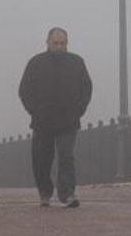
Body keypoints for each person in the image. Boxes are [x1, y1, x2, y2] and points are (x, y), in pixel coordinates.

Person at [19, 27, 92, 208]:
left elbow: (86, 88)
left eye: (62, 43)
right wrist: (34, 111)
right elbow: (24, 90)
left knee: (66, 157)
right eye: (55, 43)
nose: (59, 46)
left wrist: (79, 110)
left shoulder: (77, 62)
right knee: (42, 159)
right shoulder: (36, 63)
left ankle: (67, 194)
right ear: (48, 42)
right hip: (42, 120)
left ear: (67, 43)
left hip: (68, 120)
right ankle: (45, 191)